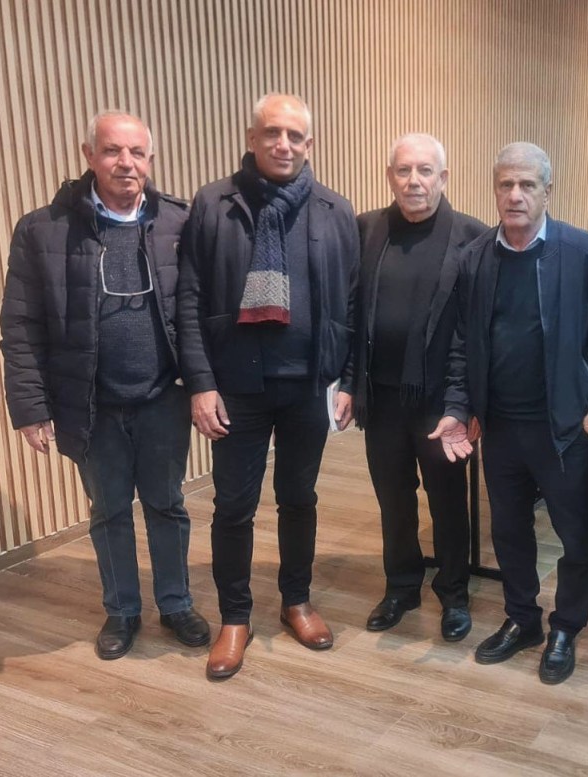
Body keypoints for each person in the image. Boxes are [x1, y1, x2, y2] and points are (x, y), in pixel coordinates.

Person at [0, 111, 209, 660]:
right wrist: (30, 406)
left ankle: (176, 603)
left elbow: (201, 312)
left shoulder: (179, 222)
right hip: (89, 404)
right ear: (89, 155)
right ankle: (122, 611)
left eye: (137, 152)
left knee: (167, 504)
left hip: (163, 397)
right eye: (113, 150)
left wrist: (206, 385)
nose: (126, 163)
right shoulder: (43, 230)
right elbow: (20, 325)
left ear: (150, 160)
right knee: (109, 510)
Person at [178, 93, 358, 679]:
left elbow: (352, 303)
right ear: (252, 138)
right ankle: (235, 617)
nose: (284, 144)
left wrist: (348, 379)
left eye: (295, 136)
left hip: (307, 384)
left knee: (299, 498)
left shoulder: (334, 210)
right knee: (233, 505)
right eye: (272, 133)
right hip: (238, 386)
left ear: (310, 144)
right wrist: (200, 383)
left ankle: (296, 601)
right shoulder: (214, 203)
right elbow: (189, 299)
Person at [429, 142, 588, 684]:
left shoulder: (584, 253)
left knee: (577, 535)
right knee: (509, 530)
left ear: (547, 191)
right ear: (494, 189)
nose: (515, 195)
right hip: (500, 427)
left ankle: (566, 626)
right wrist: (460, 407)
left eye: (527, 184)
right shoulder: (475, 258)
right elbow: (462, 344)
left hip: (563, 428)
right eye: (506, 184)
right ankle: (522, 618)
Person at [354, 133, 485, 641]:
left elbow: (475, 331)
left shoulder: (472, 237)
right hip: (381, 396)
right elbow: (352, 312)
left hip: (442, 401)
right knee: (393, 498)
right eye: (404, 170)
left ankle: (453, 592)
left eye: (425, 171)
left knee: (447, 501)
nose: (414, 181)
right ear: (390, 176)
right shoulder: (368, 229)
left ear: (443, 178)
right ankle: (401, 586)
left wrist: (465, 403)